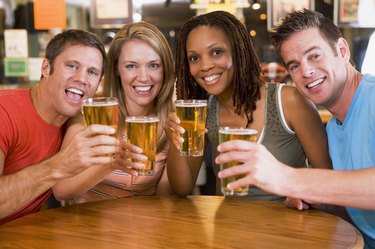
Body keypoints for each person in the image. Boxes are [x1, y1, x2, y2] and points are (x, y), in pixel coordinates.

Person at [216, 9, 375, 248]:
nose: (307, 72)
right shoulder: (333, 127)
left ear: (342, 51)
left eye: (314, 56)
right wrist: (315, 198)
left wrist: (291, 179)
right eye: (294, 66)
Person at [165, 10, 331, 200]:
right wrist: (174, 140)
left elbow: (328, 180)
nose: (204, 66)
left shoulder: (289, 101)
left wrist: (303, 195)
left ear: (238, 51)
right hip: (230, 226)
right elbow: (182, 188)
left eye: (216, 52)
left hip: (287, 226)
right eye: (194, 58)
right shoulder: (205, 112)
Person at [0, 29, 118, 224]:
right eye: (72, 66)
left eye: (92, 72)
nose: (82, 78)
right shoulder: (5, 111)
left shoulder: (77, 121)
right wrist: (60, 165)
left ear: (98, 84)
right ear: (46, 68)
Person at [52, 21, 175, 203]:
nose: (143, 77)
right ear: (116, 68)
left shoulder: (170, 121)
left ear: (165, 69)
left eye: (154, 65)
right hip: (87, 227)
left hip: (143, 226)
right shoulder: (93, 113)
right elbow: (61, 190)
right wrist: (111, 164)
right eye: (131, 66)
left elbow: (165, 195)